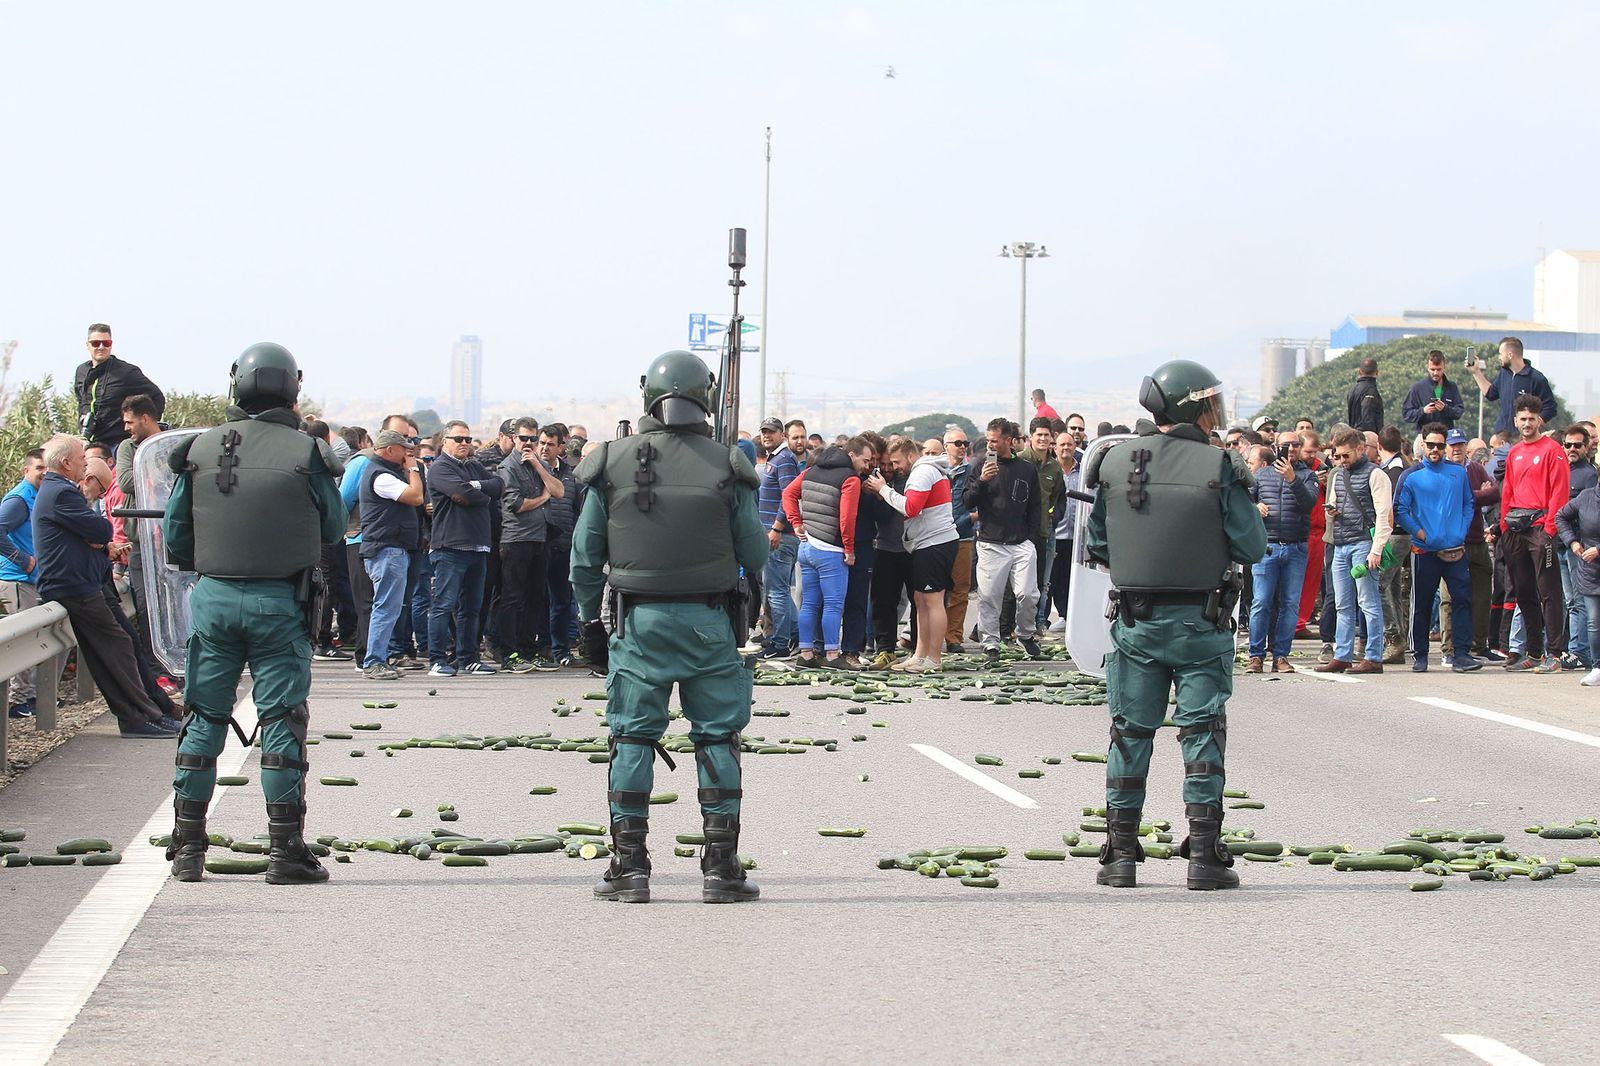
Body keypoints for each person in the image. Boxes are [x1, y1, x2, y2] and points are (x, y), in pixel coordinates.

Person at [571, 350, 767, 904]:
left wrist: (588, 623)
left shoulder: (610, 461)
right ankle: (721, 868)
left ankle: (629, 866)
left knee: (631, 737)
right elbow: (755, 552)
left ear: (648, 395)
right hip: (710, 621)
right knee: (717, 737)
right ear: (706, 396)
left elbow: (585, 557)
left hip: (638, 623)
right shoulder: (729, 464)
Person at [161, 344, 346, 883]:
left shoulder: (199, 447)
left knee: (203, 718)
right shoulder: (308, 451)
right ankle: (285, 851)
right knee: (282, 721)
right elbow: (335, 528)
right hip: (279, 603)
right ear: (291, 386)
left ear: (237, 384)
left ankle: (188, 848)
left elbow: (176, 537)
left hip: (214, 599)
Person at [1085, 360, 1266, 891]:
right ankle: (1204, 855)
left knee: (1129, 734)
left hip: (1136, 622)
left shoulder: (1115, 460)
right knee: (1202, 733)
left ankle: (1120, 854)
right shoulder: (1220, 463)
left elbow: (1097, 544)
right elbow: (1252, 545)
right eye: (1210, 403)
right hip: (1200, 624)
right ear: (1194, 406)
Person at [34, 435, 173, 738]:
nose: (84, 464)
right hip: (75, 586)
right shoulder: (62, 493)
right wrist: (98, 536)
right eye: (81, 460)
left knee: (119, 645)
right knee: (117, 647)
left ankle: (148, 712)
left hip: (79, 583)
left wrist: (98, 542)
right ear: (66, 463)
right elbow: (100, 528)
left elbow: (93, 535)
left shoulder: (57, 490)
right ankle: (140, 717)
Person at [1396, 423, 1483, 673]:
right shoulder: (1410, 475)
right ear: (1423, 445)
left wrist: (1461, 532)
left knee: (1462, 600)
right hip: (1424, 552)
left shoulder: (1458, 472)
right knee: (1422, 604)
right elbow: (1399, 510)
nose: (1435, 449)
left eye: (1440, 445)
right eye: (1431, 445)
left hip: (1455, 549)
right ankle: (1420, 655)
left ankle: (1462, 654)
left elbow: (1468, 503)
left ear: (1445, 447)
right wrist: (1420, 533)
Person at [868, 437, 959, 671]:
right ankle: (920, 654)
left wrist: (884, 490)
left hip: (934, 541)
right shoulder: (926, 471)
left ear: (910, 455)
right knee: (920, 599)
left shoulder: (922, 472)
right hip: (925, 542)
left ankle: (933, 658)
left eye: (897, 461)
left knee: (932, 600)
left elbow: (911, 507)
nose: (894, 467)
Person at [426, 421, 505, 676]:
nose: (464, 444)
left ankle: (468, 657)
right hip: (450, 546)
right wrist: (478, 491)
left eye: (468, 440)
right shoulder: (440, 467)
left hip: (479, 546)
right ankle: (437, 659)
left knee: (472, 608)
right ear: (444, 441)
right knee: (444, 605)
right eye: (458, 439)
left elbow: (498, 486)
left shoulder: (472, 465)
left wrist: (475, 486)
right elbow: (462, 494)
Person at [1498, 395, 1570, 672]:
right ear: (1515, 421)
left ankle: (1555, 654)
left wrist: (1550, 528)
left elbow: (1560, 491)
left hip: (1541, 528)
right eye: (1522, 419)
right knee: (1524, 592)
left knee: (1549, 592)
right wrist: (1504, 526)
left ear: (1539, 420)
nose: (1527, 424)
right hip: (1515, 528)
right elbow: (1508, 489)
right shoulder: (1514, 452)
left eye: (1531, 419)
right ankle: (1534, 653)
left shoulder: (1553, 450)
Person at [1315, 427, 1393, 673]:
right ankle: (1343, 654)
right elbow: (1335, 504)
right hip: (1340, 543)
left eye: (1345, 455)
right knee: (1343, 604)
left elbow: (1384, 515)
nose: (1341, 461)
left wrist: (1376, 549)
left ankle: (1373, 656)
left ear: (1360, 449)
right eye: (1337, 456)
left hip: (1363, 543)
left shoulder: (1376, 474)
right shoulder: (1338, 475)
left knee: (1368, 602)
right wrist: (1332, 511)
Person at [964, 418, 1042, 661]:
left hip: (1021, 542)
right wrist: (982, 481)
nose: (990, 445)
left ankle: (1025, 634)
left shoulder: (1027, 469)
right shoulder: (980, 466)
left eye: (995, 441)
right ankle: (990, 643)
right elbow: (967, 501)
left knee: (1027, 594)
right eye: (988, 440)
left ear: (1009, 440)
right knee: (988, 597)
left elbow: (1036, 505)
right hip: (991, 542)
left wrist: (1032, 537)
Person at [781, 439, 863, 667]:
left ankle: (806, 654)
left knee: (809, 603)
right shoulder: (850, 479)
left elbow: (788, 494)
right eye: (865, 460)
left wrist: (796, 522)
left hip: (806, 547)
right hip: (830, 549)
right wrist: (849, 548)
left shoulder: (809, 472)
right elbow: (847, 517)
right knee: (833, 604)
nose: (866, 465)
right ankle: (832, 655)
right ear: (851, 456)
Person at [495, 417, 565, 673]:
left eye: (532, 439)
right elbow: (516, 504)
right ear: (514, 438)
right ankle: (509, 652)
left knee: (536, 597)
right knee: (512, 597)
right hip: (517, 539)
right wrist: (543, 497)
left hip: (540, 538)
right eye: (523, 438)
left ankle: (528, 648)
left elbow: (559, 491)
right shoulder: (508, 466)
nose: (528, 443)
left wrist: (537, 465)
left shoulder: (538, 464)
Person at [357, 429, 426, 680]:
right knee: (385, 607)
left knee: (389, 607)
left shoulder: (384, 472)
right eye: (403, 449)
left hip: (392, 548)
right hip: (386, 549)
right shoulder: (381, 476)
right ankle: (374, 661)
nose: (408, 453)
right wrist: (414, 469)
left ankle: (379, 659)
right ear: (389, 450)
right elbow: (416, 497)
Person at [1245, 431, 1316, 673]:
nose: (1291, 449)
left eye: (1295, 445)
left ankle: (1281, 656)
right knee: (1261, 602)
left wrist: (1292, 479)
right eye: (1286, 445)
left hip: (1296, 546)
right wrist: (1255, 507)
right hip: (1267, 546)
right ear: (1276, 447)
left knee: (1290, 604)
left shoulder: (1307, 475)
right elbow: (1243, 502)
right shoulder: (1262, 475)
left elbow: (1309, 504)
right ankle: (1255, 655)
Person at [0, 449, 46, 718]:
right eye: (38, 468)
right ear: (26, 470)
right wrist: (22, 560)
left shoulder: (37, 495)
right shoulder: (18, 499)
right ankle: (17, 701)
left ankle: (31, 696)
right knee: (22, 642)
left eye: (46, 468)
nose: (43, 473)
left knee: (34, 640)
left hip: (32, 579)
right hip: (17, 580)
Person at [73, 323, 165, 450]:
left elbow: (157, 397)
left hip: (117, 443)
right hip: (91, 443)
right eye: (96, 343)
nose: (101, 347)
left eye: (106, 343)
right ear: (87, 345)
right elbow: (81, 401)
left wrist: (145, 427)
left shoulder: (126, 372)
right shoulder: (81, 371)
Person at [755, 416, 802, 658]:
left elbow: (789, 496)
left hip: (780, 537)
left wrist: (777, 528)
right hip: (776, 535)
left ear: (781, 435)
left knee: (777, 592)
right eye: (764, 431)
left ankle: (781, 644)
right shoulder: (776, 458)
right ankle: (795, 635)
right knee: (777, 590)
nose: (766, 435)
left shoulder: (783, 459)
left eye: (771, 432)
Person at [541, 424, 585, 666]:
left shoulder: (570, 475)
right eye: (542, 443)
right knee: (537, 601)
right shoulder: (530, 470)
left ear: (561, 447)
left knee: (561, 602)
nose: (544, 448)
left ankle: (560, 651)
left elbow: (578, 510)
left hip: (563, 545)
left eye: (550, 444)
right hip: (538, 544)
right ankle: (538, 648)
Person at [1019, 417, 1065, 634]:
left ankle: (1035, 625)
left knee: (1040, 584)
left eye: (1047, 435)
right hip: (1019, 533)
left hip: (1043, 532)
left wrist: (1054, 517)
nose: (1043, 439)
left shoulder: (1054, 467)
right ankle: (1011, 627)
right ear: (1031, 437)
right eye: (1039, 435)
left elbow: (1059, 497)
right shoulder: (1020, 461)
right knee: (1018, 585)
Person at [1558, 425, 1598, 670]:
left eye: (1577, 445)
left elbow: (1590, 512)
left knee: (1579, 602)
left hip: (1582, 548)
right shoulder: (1559, 469)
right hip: (1562, 543)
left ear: (1586, 448)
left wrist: (1577, 542)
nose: (1572, 449)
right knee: (1568, 600)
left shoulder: (1589, 474)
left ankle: (1579, 651)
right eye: (1568, 444)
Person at [1555, 472, 1600, 686]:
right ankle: (1597, 667)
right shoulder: (1586, 497)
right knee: (1594, 621)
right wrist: (1572, 542)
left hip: (1594, 557)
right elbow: (1560, 516)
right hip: (1590, 571)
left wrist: (1598, 549)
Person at [1375, 426, 1412, 664]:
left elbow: (1391, 505)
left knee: (1378, 584)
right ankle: (1398, 640)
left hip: (1395, 534)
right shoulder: (1401, 466)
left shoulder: (1394, 470)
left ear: (1379, 446)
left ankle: (1393, 637)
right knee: (1393, 587)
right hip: (1400, 534)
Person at [1470, 336, 1556, 436]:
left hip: (1523, 437)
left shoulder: (1536, 378)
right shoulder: (1504, 374)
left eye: (1500, 354)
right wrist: (1475, 372)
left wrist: (1532, 425)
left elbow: (1550, 407)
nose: (1499, 357)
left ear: (1510, 355)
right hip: (1502, 434)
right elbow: (1490, 393)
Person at [943, 428, 975, 652]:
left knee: (960, 589)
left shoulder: (972, 471)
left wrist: (971, 518)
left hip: (963, 536)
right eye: (958, 443)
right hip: (937, 536)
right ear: (946, 446)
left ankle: (954, 636)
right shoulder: (936, 469)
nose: (962, 447)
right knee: (933, 590)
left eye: (965, 443)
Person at [1047, 430, 1081, 632]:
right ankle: (1045, 618)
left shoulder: (1083, 471)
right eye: (1062, 445)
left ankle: (1069, 616)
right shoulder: (1051, 470)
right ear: (1055, 448)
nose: (1066, 448)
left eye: (1069, 444)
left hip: (1077, 535)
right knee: (1051, 579)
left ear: (1075, 447)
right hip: (1055, 534)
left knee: (1071, 578)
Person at [1402, 351, 1466, 431]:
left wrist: (1445, 408)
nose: (1435, 373)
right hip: (1425, 434)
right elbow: (1406, 414)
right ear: (1427, 367)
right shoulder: (1417, 388)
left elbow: (1459, 411)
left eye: (1439, 369)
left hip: (1446, 434)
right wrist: (1423, 411)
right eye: (1432, 369)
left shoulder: (1452, 387)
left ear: (1444, 367)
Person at [1346, 358, 1384, 433]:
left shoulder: (1352, 390)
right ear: (1377, 372)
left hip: (1354, 434)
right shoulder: (1370, 391)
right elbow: (1367, 413)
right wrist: (1372, 435)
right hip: (1366, 436)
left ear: (1359, 372)